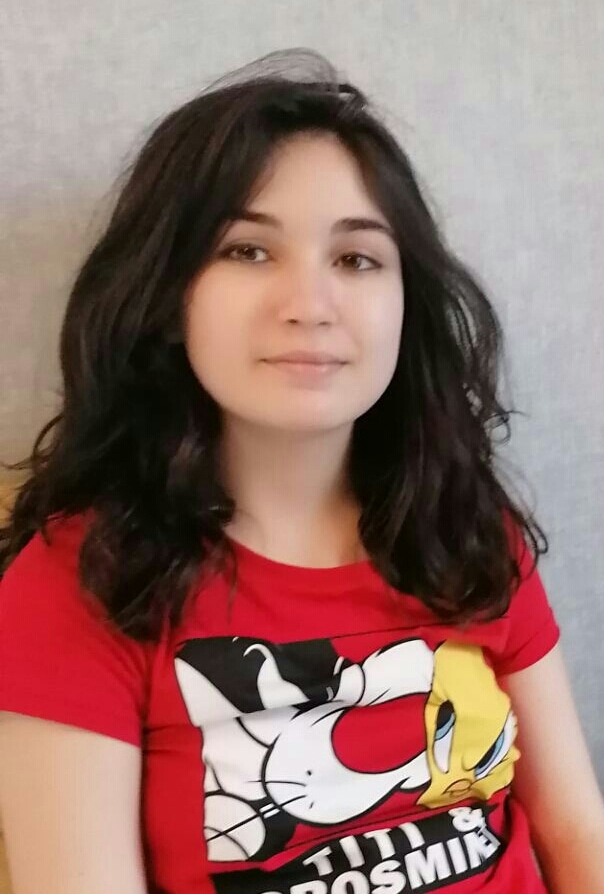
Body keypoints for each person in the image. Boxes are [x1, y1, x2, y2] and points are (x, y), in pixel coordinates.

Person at [0, 48, 602, 894]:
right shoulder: (81, 581)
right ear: (167, 298)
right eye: (248, 251)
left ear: (406, 305)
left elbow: (576, 828)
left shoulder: (467, 527)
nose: (309, 305)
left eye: (356, 259)